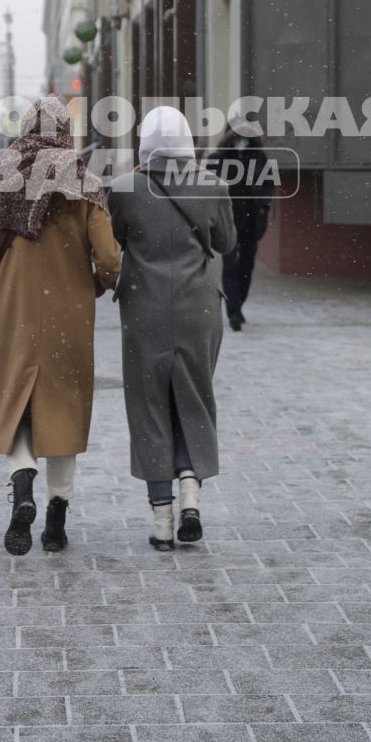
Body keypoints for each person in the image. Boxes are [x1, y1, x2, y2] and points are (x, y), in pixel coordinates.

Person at [0, 96, 121, 556]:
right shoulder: (85, 181)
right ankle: (56, 522)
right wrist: (99, 283)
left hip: (15, 310)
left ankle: (22, 479)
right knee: (65, 404)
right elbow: (110, 256)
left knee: (16, 397)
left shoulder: (2, 177)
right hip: (69, 310)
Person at [109, 106, 235, 551]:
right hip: (198, 308)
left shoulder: (124, 189)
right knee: (194, 399)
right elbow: (226, 243)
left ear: (143, 143)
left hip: (143, 309)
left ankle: (162, 519)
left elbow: (117, 238)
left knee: (148, 404)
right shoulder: (214, 185)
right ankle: (190, 490)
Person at [208, 118, 275, 330]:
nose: (241, 141)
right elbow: (209, 188)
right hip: (228, 222)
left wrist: (263, 207)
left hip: (251, 221)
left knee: (247, 266)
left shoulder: (260, 159)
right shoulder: (217, 159)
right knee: (231, 265)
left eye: (245, 137)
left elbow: (267, 186)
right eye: (237, 136)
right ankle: (233, 311)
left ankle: (238, 304)